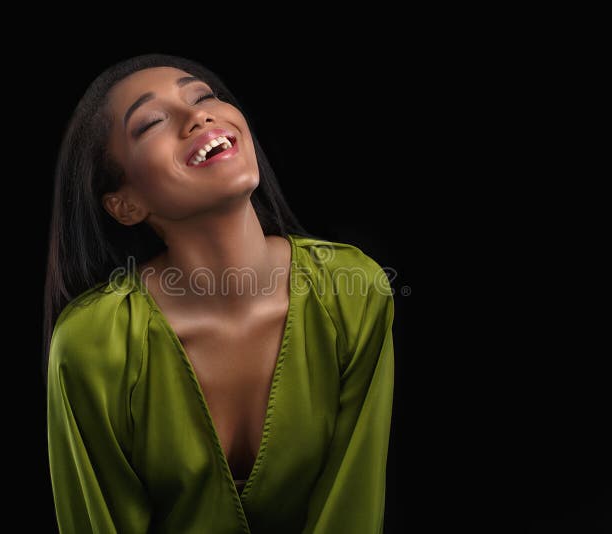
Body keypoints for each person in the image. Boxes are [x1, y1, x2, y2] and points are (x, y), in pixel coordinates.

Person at [44, 53, 395, 533]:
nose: (199, 116)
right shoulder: (93, 344)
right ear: (125, 204)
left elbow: (352, 509)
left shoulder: (353, 293)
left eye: (204, 96)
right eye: (150, 123)